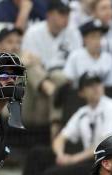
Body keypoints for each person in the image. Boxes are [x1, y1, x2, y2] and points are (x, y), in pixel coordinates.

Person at [24, 74, 112, 175]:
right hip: (87, 161)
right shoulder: (83, 112)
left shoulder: (110, 106)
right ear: (81, 92)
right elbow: (61, 138)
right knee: (38, 154)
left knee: (52, 174)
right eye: (90, 86)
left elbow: (104, 145)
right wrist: (60, 155)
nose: (96, 88)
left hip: (106, 165)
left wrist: (73, 159)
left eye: (98, 84)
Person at [21, 0, 81, 135]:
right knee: (29, 65)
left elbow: (77, 62)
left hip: (63, 76)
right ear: (49, 15)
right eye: (61, 14)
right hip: (39, 76)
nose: (66, 18)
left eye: (67, 14)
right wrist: (44, 76)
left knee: (59, 77)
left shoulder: (73, 33)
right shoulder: (34, 32)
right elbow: (29, 61)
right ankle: (49, 89)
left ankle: (50, 90)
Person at [63, 19, 112, 86]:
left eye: (100, 36)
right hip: (79, 94)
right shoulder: (75, 56)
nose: (97, 40)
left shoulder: (109, 58)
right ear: (84, 39)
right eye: (93, 36)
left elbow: (111, 85)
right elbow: (68, 81)